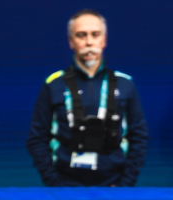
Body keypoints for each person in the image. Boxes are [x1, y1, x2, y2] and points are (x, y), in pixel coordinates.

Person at [27, 9, 148, 188]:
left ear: (104, 40)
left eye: (95, 35)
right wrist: (56, 184)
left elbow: (139, 137)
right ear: (71, 41)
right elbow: (37, 138)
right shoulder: (53, 84)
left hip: (114, 185)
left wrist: (124, 184)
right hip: (65, 186)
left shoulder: (125, 84)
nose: (89, 42)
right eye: (81, 35)